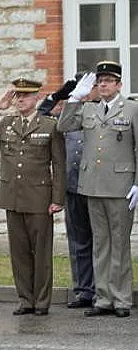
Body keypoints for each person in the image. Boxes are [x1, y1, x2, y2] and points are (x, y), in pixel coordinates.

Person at [0, 79, 66, 315]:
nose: (20, 99)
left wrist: (57, 199)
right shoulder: (6, 123)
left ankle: (41, 301)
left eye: (25, 95)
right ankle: (25, 300)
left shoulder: (49, 125)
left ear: (36, 98)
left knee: (41, 253)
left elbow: (59, 165)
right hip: (12, 196)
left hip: (39, 197)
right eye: (17, 95)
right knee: (19, 253)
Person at [58, 61, 136, 318]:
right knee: (100, 244)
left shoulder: (132, 109)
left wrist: (137, 183)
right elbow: (63, 126)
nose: (103, 85)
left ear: (119, 84)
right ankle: (102, 298)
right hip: (92, 186)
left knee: (119, 244)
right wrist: (74, 98)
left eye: (108, 81)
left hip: (120, 187)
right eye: (99, 81)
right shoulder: (88, 109)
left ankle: (121, 299)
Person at [38, 76, 96, 308]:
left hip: (97, 188)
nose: (86, 92)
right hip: (72, 187)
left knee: (101, 242)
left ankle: (102, 290)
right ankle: (84, 291)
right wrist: (57, 96)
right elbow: (40, 117)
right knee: (79, 242)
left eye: (89, 87)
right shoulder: (65, 116)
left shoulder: (99, 112)